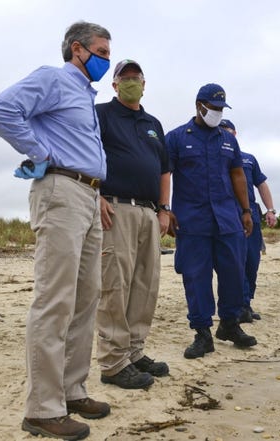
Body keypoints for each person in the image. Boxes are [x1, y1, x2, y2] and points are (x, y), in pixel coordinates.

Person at [0, 21, 112, 440]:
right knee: (55, 299)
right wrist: (40, 152)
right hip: (60, 190)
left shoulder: (85, 97)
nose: (106, 61)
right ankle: (42, 408)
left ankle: (72, 391)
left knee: (85, 297)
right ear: (77, 49)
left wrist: (98, 193)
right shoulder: (53, 79)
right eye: (101, 51)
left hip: (89, 197)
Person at [165, 83, 258, 359]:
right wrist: (166, 208)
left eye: (221, 109)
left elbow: (238, 175)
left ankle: (230, 324)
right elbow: (165, 174)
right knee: (196, 277)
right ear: (199, 105)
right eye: (213, 108)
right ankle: (202, 333)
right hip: (192, 221)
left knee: (233, 272)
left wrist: (246, 210)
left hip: (228, 219)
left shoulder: (229, 139)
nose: (216, 113)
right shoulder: (177, 138)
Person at [95, 59, 171, 390]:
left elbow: (163, 169)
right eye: (124, 78)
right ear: (114, 85)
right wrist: (94, 195)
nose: (130, 82)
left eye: (135, 78)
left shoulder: (153, 123)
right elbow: (87, 152)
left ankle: (135, 352)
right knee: (115, 284)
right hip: (115, 208)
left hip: (149, 213)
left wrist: (165, 209)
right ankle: (113, 362)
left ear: (144, 83)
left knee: (145, 285)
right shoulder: (101, 114)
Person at [219, 119, 277, 323]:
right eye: (221, 131)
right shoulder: (217, 159)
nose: (225, 134)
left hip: (251, 214)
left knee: (252, 262)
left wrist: (270, 210)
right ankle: (239, 306)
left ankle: (246, 303)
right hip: (228, 215)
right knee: (235, 262)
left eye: (228, 131)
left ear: (234, 134)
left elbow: (261, 184)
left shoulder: (249, 159)